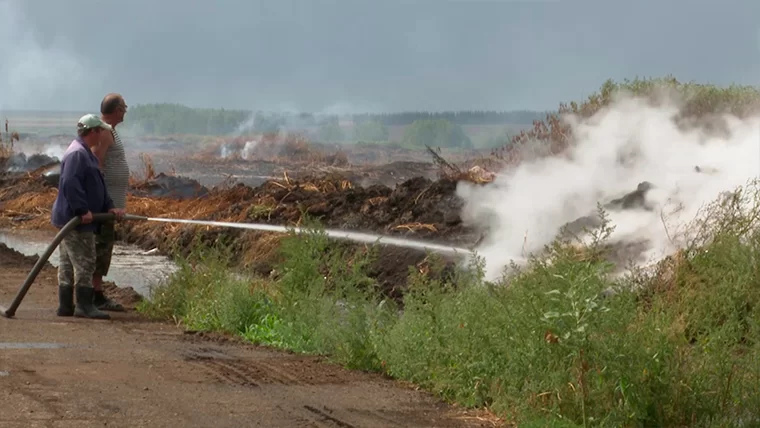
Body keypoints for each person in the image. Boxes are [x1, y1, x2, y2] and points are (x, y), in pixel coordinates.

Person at [52, 114, 125, 320]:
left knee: (67, 263)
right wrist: (82, 211)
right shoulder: (77, 154)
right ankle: (84, 305)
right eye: (101, 130)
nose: (104, 134)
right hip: (75, 221)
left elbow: (96, 186)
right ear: (93, 132)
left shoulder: (85, 153)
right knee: (86, 261)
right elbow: (70, 184)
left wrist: (109, 207)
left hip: (72, 218)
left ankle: (66, 306)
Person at [91, 93, 130, 312]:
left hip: (111, 203)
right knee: (102, 247)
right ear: (116, 110)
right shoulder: (105, 132)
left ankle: (95, 292)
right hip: (106, 205)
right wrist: (105, 202)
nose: (125, 110)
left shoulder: (109, 130)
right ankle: (95, 295)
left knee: (104, 247)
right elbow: (96, 165)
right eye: (124, 107)